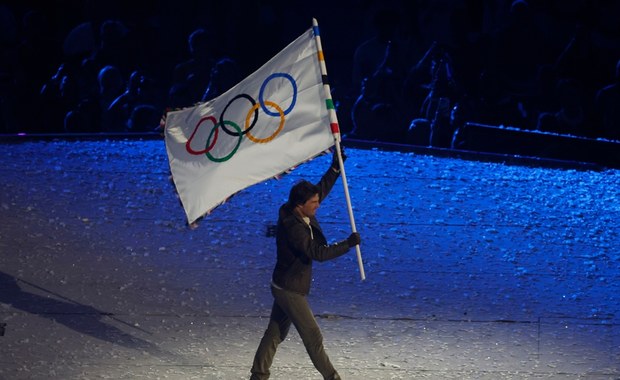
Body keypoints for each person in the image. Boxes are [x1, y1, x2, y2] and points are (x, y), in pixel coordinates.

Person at [249, 150, 361, 380]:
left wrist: (335, 167)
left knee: (275, 333)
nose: (318, 205)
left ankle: (258, 376)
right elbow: (317, 253)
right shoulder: (294, 227)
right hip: (290, 290)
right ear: (300, 205)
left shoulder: (299, 210)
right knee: (313, 337)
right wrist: (347, 244)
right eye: (313, 203)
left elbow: (321, 189)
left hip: (284, 285)